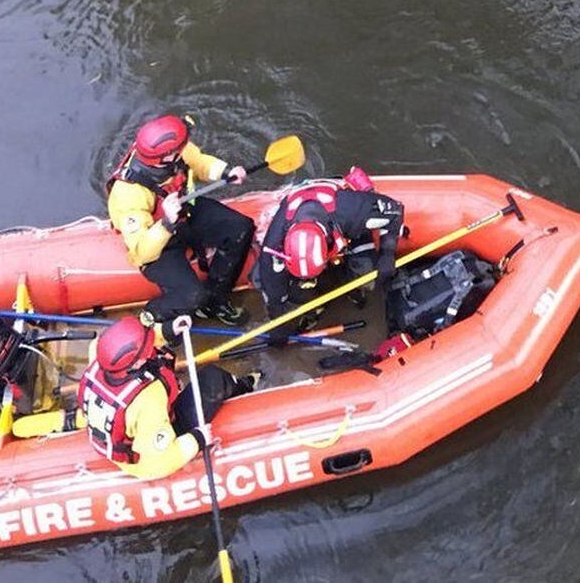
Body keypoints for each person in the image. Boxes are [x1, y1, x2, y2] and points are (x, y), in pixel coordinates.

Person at [107, 114, 254, 326]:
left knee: (240, 228)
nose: (186, 147)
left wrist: (226, 172)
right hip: (159, 243)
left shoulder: (178, 152)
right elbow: (142, 253)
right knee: (193, 296)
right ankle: (151, 316)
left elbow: (200, 162)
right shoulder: (128, 193)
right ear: (165, 158)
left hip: (184, 216)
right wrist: (166, 222)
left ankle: (216, 299)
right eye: (182, 146)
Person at [76, 315, 256, 480]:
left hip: (122, 432)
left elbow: (140, 340)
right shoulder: (149, 399)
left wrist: (168, 330)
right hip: (143, 452)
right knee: (213, 379)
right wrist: (196, 440)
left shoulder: (99, 353)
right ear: (136, 363)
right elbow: (157, 463)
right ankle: (245, 386)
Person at [256, 169, 405, 346]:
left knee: (366, 277)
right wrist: (278, 326)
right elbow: (273, 292)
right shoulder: (274, 244)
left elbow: (395, 211)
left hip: (345, 226)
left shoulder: (353, 211)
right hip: (316, 220)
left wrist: (387, 254)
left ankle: (354, 291)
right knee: (284, 287)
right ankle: (315, 302)